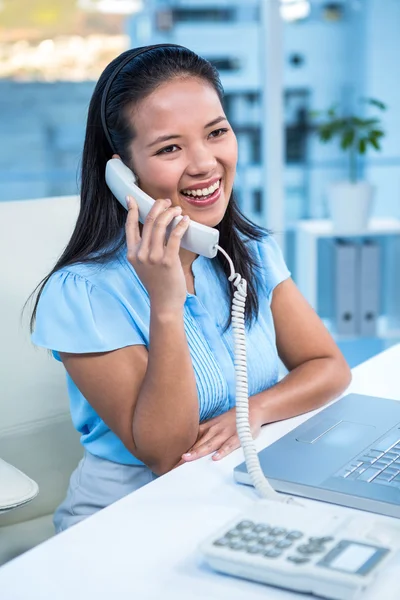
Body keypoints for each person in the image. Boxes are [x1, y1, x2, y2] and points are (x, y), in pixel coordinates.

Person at [29, 44, 351, 533]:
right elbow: (164, 453)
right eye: (169, 148)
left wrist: (253, 412)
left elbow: (329, 368)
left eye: (216, 133)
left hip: (236, 500)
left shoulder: (249, 252)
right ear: (123, 173)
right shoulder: (82, 293)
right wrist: (165, 303)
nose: (205, 163)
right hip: (128, 523)